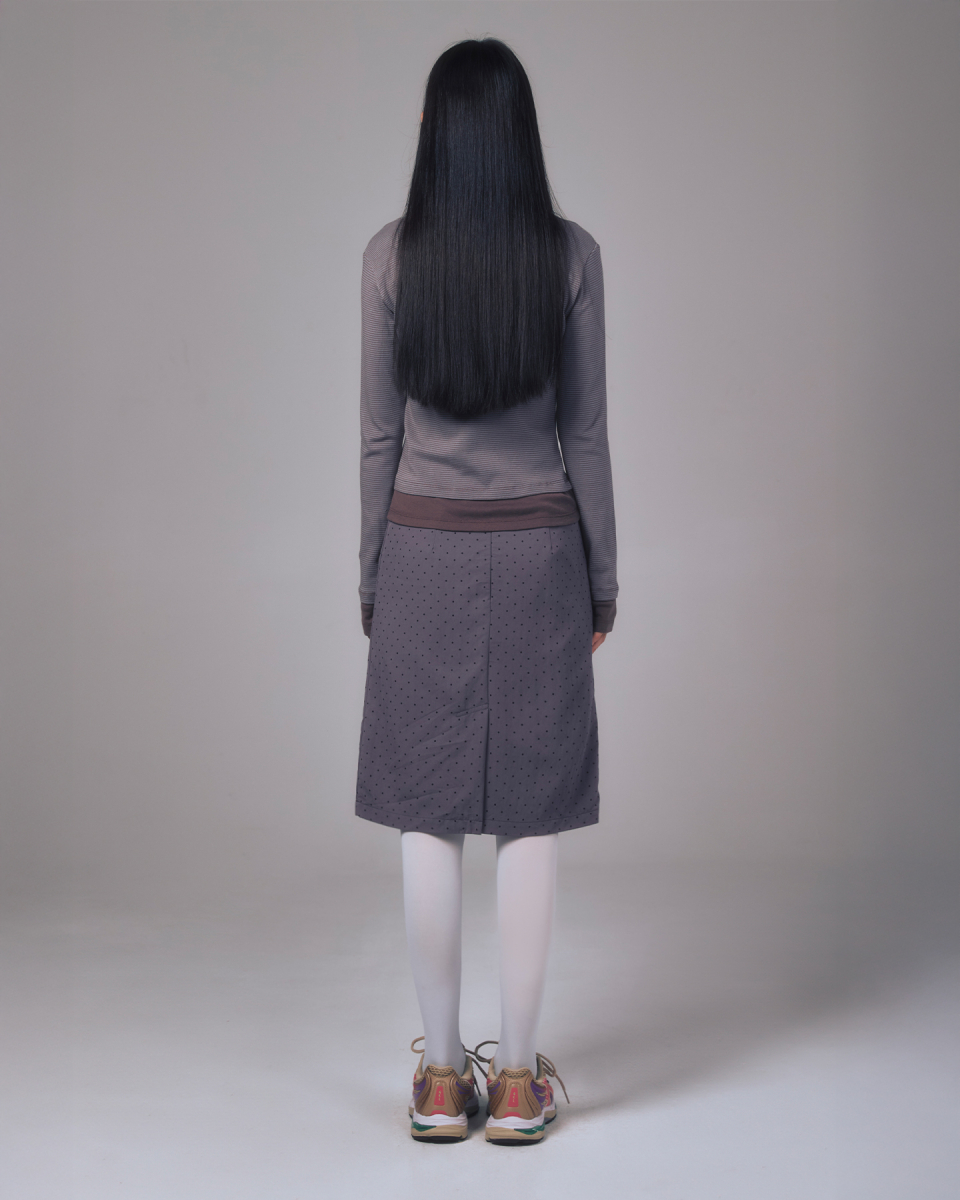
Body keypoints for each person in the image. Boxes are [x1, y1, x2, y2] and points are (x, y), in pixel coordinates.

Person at [355, 37, 617, 1145]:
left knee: (427, 810)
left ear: (436, 134)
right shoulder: (571, 254)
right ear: (519, 135)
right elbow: (585, 434)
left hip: (422, 549)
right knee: (531, 811)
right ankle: (514, 1084)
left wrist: (373, 576)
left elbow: (379, 439)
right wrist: (602, 581)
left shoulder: (389, 257)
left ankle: (436, 1080)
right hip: (542, 547)